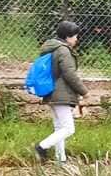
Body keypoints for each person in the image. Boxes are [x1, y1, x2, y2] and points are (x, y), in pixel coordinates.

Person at [33, 21, 88, 163]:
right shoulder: (63, 50)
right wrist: (84, 92)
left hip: (51, 92)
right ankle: (42, 146)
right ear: (68, 36)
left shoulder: (51, 48)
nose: (77, 39)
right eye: (75, 36)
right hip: (61, 94)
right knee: (69, 129)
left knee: (60, 128)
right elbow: (69, 74)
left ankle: (60, 160)